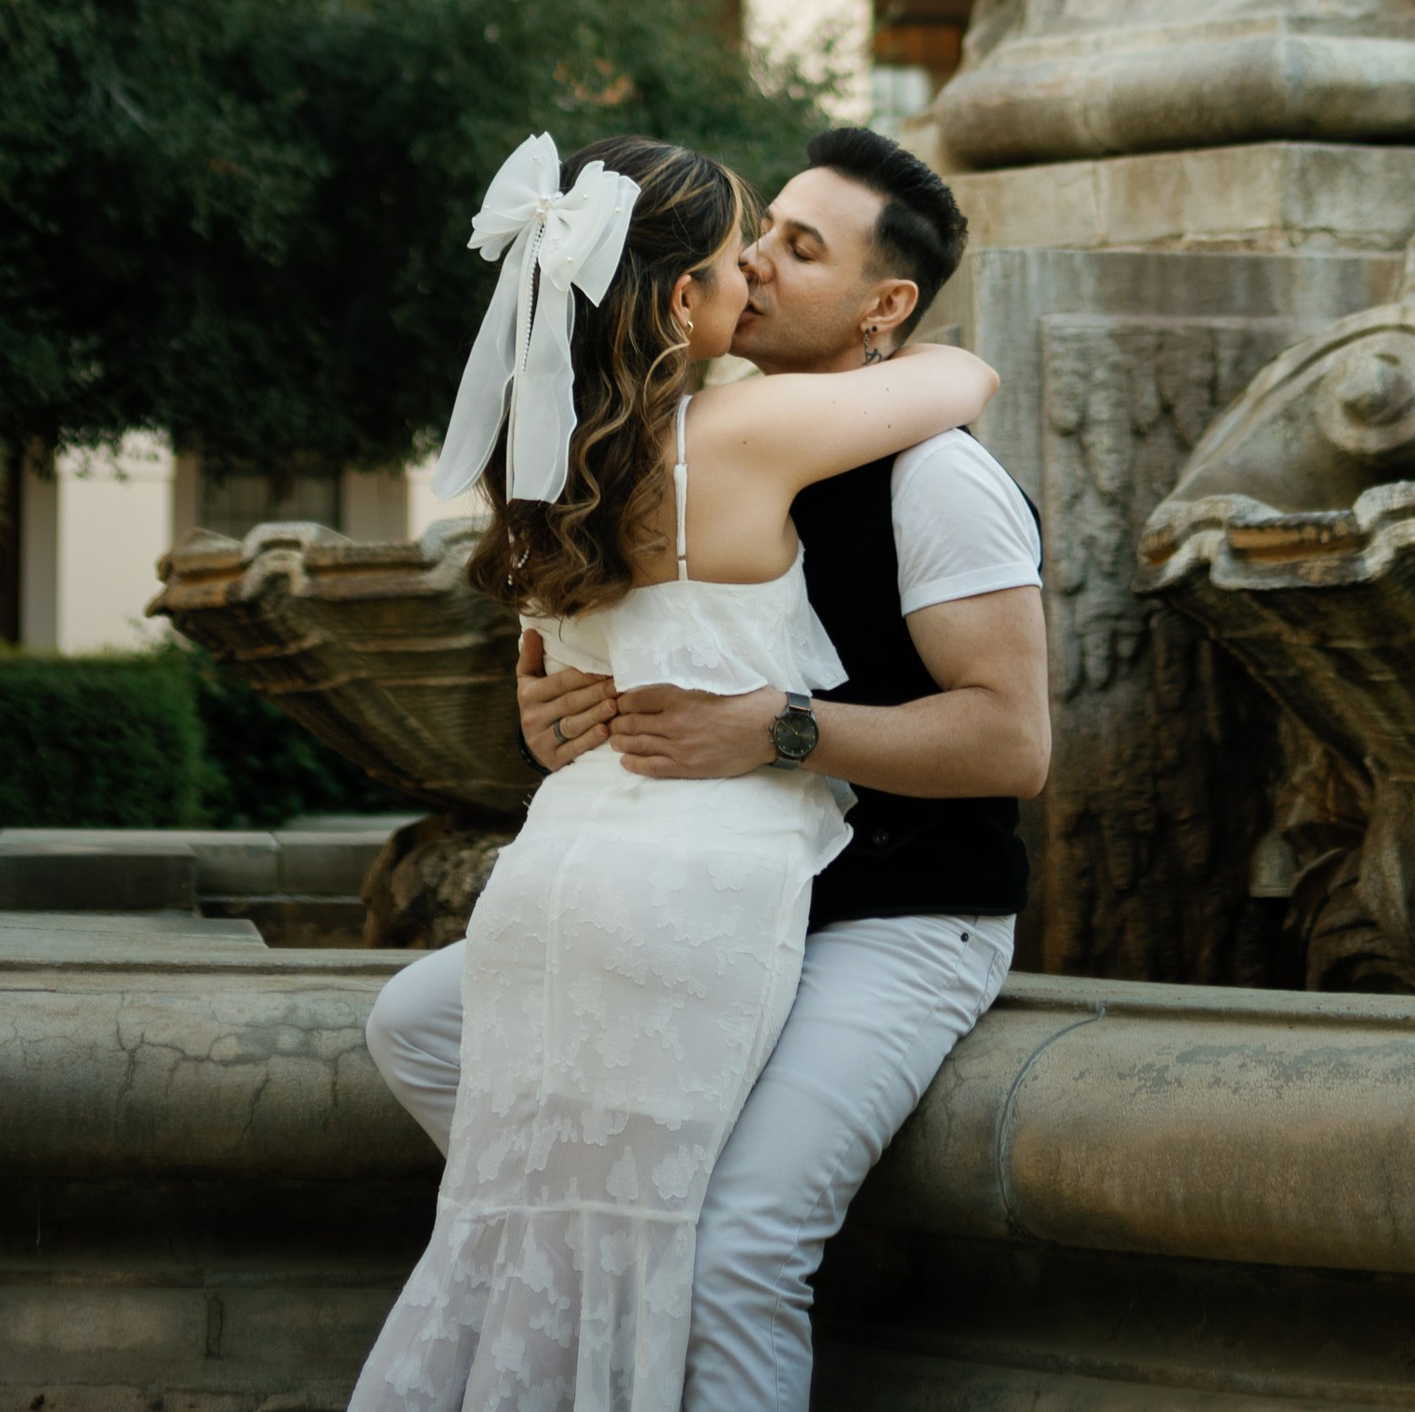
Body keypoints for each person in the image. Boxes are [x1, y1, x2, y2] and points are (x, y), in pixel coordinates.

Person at [366, 124, 1050, 1412]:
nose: (759, 260)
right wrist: (560, 713)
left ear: (882, 307)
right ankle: (621, 1239)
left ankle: (665, 1246)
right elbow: (593, 654)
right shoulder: (656, 446)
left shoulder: (935, 478)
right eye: (756, 236)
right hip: (725, 892)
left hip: (900, 910)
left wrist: (781, 728)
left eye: (799, 247)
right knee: (419, 1028)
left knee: (738, 1247)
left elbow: (1014, 745)